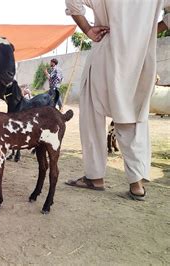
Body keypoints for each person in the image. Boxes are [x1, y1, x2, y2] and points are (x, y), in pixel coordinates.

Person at [64, 0, 170, 200]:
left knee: (92, 113)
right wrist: (149, 30)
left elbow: (73, 1)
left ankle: (95, 177)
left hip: (107, 50)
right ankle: (136, 183)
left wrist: (87, 29)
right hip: (140, 58)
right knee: (131, 115)